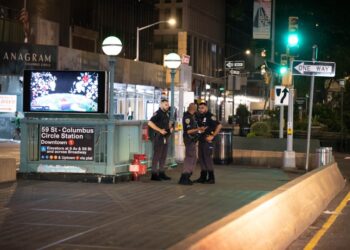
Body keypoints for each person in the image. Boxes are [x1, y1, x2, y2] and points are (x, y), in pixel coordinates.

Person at [178, 103, 206, 185]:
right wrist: (198, 129)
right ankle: (185, 177)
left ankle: (187, 176)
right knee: (190, 157)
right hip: (189, 139)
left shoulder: (193, 116)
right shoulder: (187, 117)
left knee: (193, 158)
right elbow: (188, 131)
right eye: (196, 108)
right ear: (193, 109)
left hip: (192, 140)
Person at [195, 102, 222, 184]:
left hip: (207, 140)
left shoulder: (210, 116)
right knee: (201, 158)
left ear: (206, 108)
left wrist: (213, 136)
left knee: (207, 158)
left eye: (202, 108)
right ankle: (203, 177)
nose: (200, 109)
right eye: (199, 108)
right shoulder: (199, 116)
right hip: (201, 139)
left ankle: (211, 178)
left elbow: (219, 125)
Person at [148, 99, 173, 181]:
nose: (167, 106)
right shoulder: (158, 113)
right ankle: (154, 174)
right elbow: (150, 123)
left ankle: (162, 173)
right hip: (158, 137)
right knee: (157, 156)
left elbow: (165, 124)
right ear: (161, 105)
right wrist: (159, 130)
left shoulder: (166, 114)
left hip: (165, 137)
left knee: (163, 156)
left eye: (168, 104)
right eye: (166, 104)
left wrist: (170, 128)